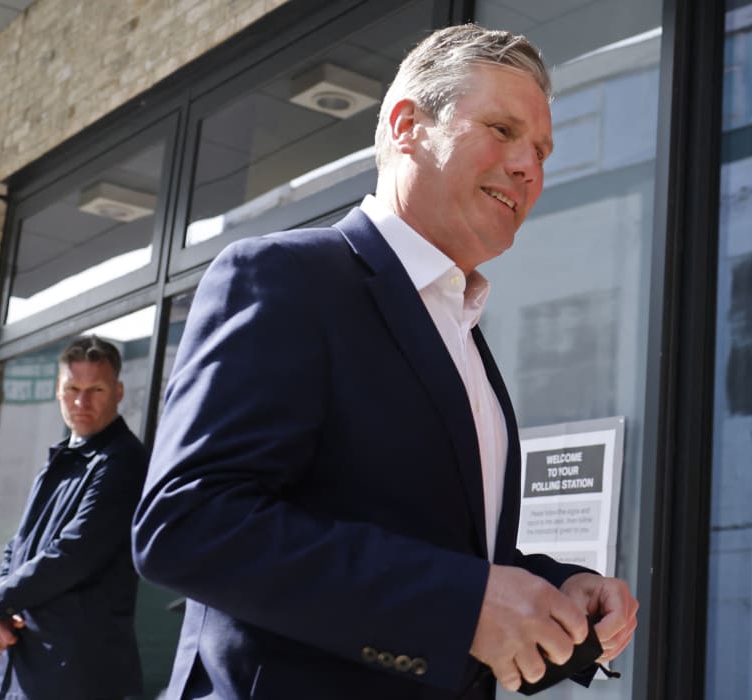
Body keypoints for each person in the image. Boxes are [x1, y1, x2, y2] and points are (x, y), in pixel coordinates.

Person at [132, 23, 639, 699]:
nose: (530, 167)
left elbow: (446, 556)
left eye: (542, 149)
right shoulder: (287, 277)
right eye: (502, 129)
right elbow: (188, 523)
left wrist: (557, 599)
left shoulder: (461, 326)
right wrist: (462, 605)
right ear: (407, 125)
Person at [0, 335, 147, 700]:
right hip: (26, 663)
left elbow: (74, 553)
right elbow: (17, 548)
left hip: (77, 675)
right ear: (57, 390)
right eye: (72, 388)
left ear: (118, 392)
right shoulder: (60, 459)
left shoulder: (123, 461)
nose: (81, 401)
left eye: (95, 389)